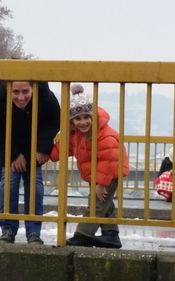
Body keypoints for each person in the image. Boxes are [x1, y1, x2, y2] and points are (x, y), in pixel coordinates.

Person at [49, 84, 129, 248]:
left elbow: (109, 159)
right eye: (78, 119)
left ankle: (82, 235)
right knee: (104, 204)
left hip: (110, 173)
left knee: (96, 204)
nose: (83, 122)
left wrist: (101, 183)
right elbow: (65, 148)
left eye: (87, 117)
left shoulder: (104, 134)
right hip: (97, 174)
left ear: (94, 117)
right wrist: (48, 154)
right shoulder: (77, 135)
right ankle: (111, 235)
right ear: (72, 121)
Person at [0, 80, 60, 245]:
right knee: (9, 185)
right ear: (7, 89)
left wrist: (42, 148)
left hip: (34, 149)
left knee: (35, 187)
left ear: (34, 88)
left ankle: (33, 232)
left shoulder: (46, 98)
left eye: (25, 91)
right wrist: (12, 155)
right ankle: (8, 230)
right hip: (9, 147)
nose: (21, 98)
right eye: (16, 92)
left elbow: (53, 124)